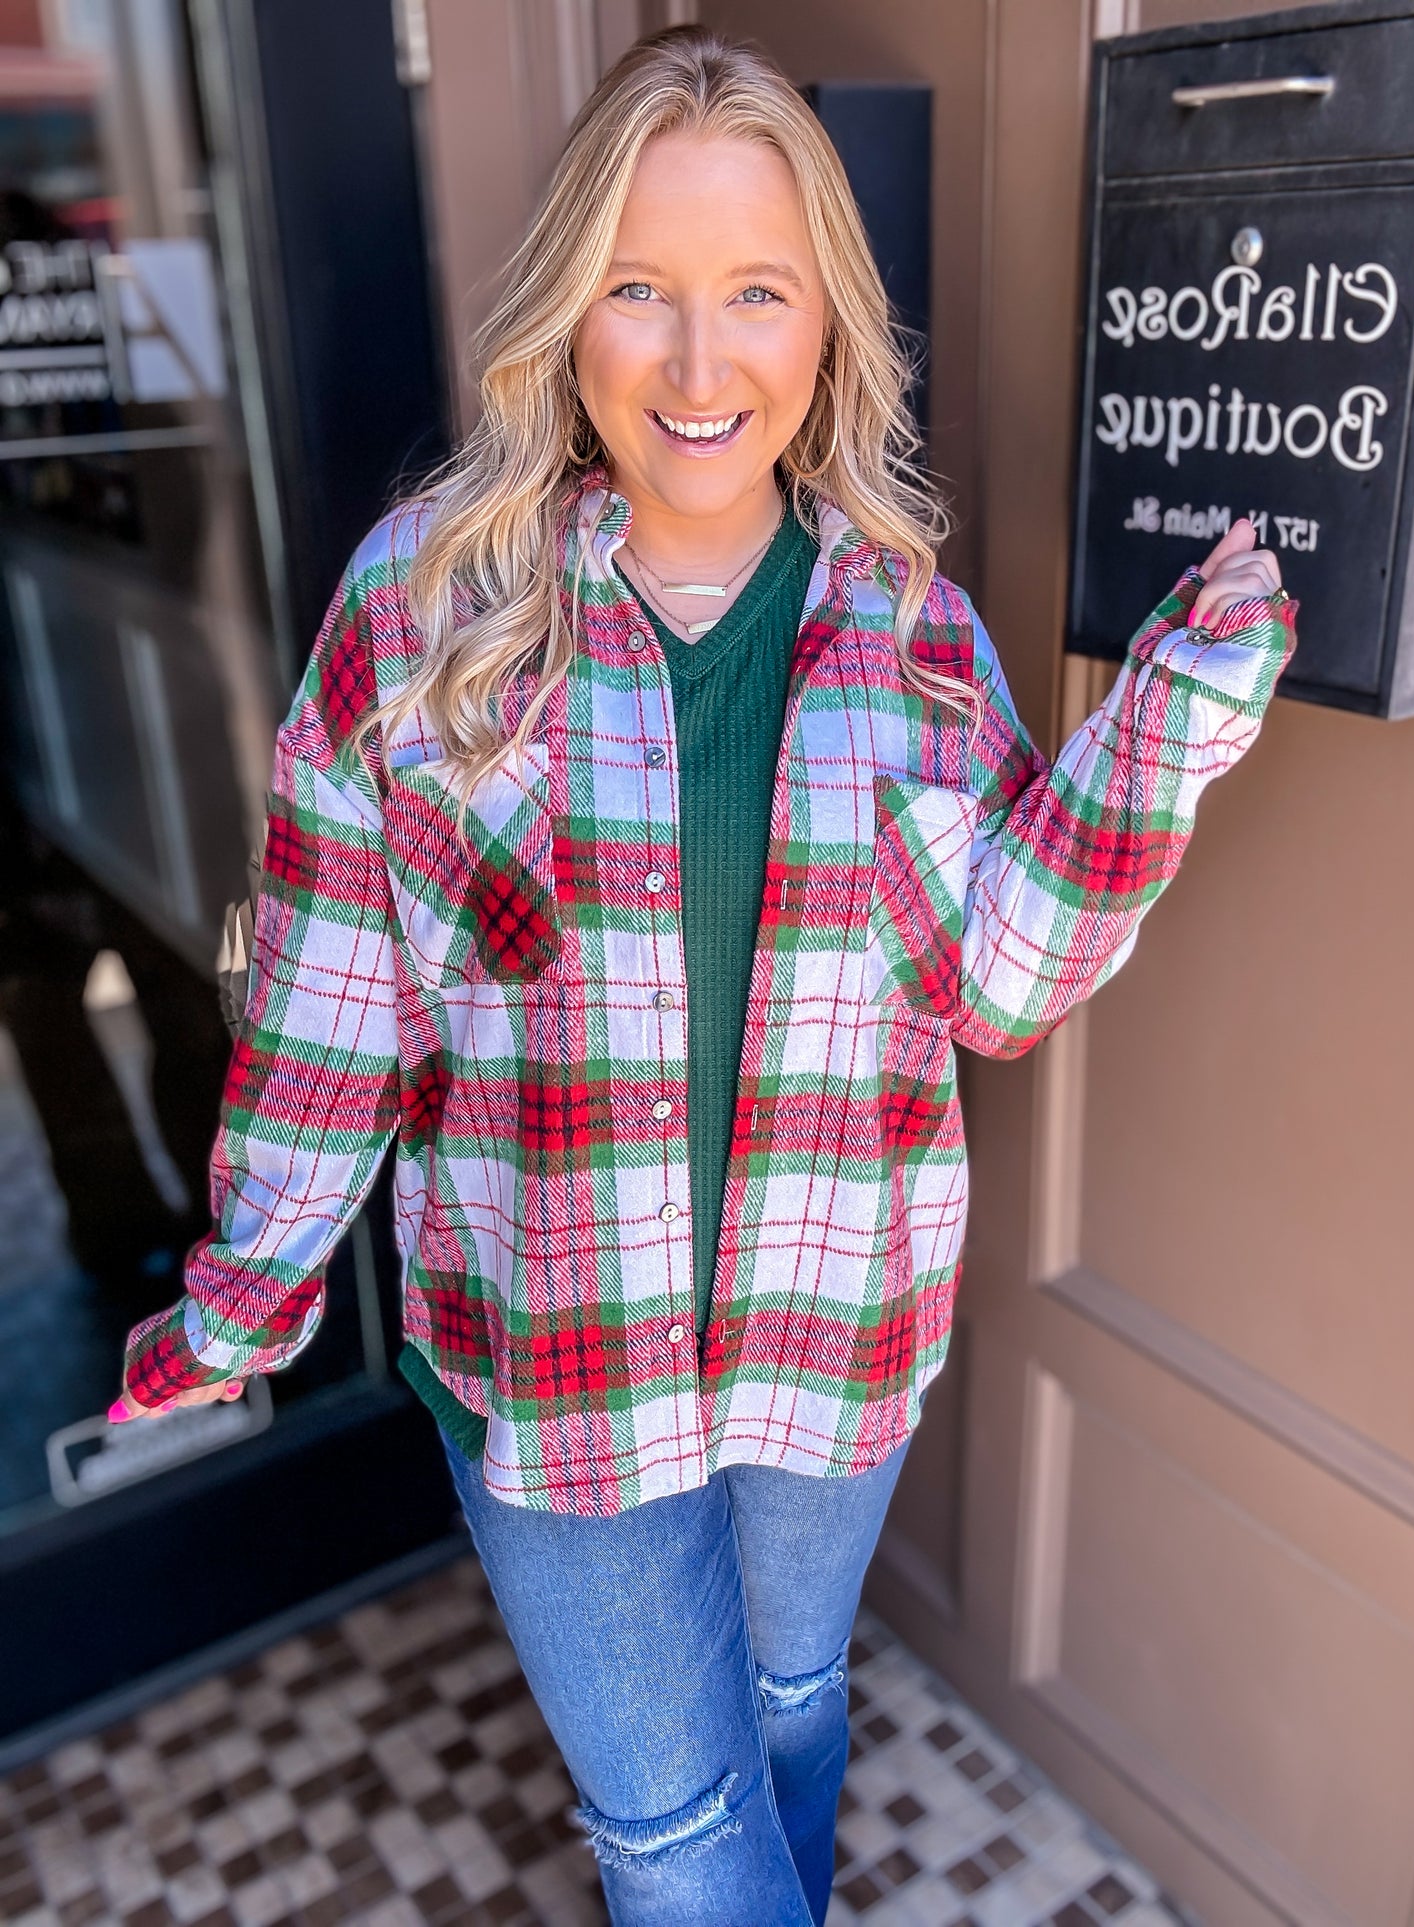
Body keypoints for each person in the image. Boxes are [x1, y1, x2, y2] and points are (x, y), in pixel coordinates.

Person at [111, 27, 1294, 1925]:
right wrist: (241, 1309)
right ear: (564, 311)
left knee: (790, 1701)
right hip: (554, 1360)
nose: (694, 362)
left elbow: (997, 982)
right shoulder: (427, 619)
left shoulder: (903, 627)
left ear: (825, 323)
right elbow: (337, 1019)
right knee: (671, 1834)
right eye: (637, 292)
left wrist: (1161, 731)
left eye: (754, 293)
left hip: (831, 1324)